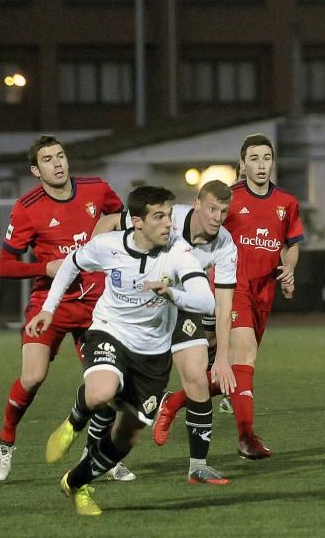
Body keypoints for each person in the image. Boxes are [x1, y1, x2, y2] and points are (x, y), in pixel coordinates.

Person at [28, 186, 215, 516]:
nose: (168, 224)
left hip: (153, 354)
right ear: (138, 221)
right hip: (109, 331)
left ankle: (75, 482)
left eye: (170, 216)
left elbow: (205, 299)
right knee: (102, 391)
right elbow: (71, 264)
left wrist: (173, 294)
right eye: (159, 216)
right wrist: (48, 308)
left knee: (126, 437)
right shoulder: (108, 246)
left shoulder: (179, 252)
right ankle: (73, 423)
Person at [0, 134, 132, 483]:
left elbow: (119, 213)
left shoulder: (96, 189)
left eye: (61, 156)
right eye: (48, 160)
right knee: (33, 376)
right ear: (36, 170)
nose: (57, 164)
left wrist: (109, 229)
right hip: (49, 304)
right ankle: (6, 441)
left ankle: (100, 454)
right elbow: (5, 266)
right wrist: (45, 268)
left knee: (109, 385)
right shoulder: (28, 207)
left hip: (96, 305)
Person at [153, 133, 303, 460]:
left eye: (266, 158)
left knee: (236, 371)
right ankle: (246, 437)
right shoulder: (230, 199)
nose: (261, 165)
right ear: (242, 163)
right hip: (232, 287)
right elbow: (206, 233)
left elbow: (290, 245)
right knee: (243, 357)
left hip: (264, 289)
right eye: (254, 158)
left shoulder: (287, 202)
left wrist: (288, 270)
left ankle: (173, 401)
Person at [95, 180, 238, 484]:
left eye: (224, 211)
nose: (217, 217)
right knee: (125, 389)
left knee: (198, 376)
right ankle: (100, 455)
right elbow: (108, 221)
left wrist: (222, 357)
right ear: (197, 205)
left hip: (181, 307)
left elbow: (224, 304)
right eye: (212, 208)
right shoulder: (168, 218)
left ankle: (198, 466)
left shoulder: (225, 245)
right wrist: (100, 263)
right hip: (143, 307)